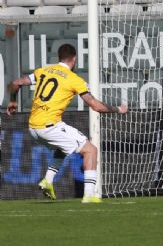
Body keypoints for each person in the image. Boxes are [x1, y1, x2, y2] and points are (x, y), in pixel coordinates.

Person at [6, 44, 127, 203]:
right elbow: (96, 106)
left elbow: (15, 83)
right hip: (49, 126)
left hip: (33, 127)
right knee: (90, 150)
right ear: (74, 59)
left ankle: (47, 180)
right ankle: (89, 195)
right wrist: (118, 109)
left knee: (63, 146)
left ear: (59, 57)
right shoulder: (74, 79)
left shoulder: (44, 71)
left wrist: (13, 101)